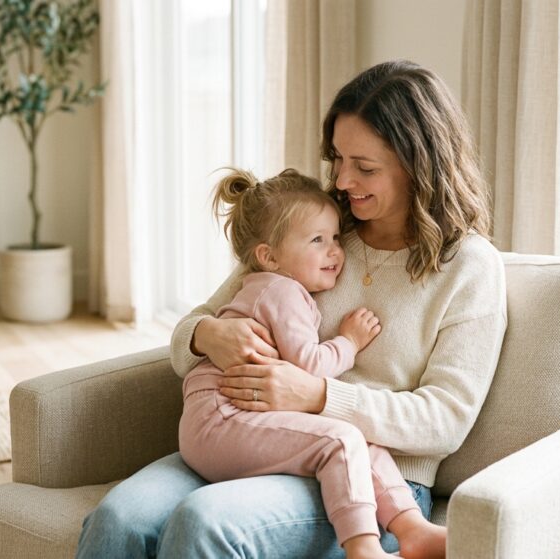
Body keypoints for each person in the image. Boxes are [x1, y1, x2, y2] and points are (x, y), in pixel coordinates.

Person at [76, 59, 507, 559]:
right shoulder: (313, 228)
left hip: (374, 484)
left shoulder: (469, 267)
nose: (343, 181)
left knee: (204, 523)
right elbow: (194, 328)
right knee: (118, 520)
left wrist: (319, 395)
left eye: (365, 167)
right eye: (337, 159)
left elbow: (446, 420)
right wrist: (206, 336)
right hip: (250, 437)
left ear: (420, 164)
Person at [179, 166, 441, 559]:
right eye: (318, 241)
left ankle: (411, 527)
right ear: (268, 256)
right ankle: (365, 549)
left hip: (223, 419)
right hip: (222, 420)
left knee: (357, 436)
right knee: (341, 440)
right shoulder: (282, 291)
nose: (336, 251)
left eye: (335, 238)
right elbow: (309, 367)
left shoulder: (272, 280)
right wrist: (348, 343)